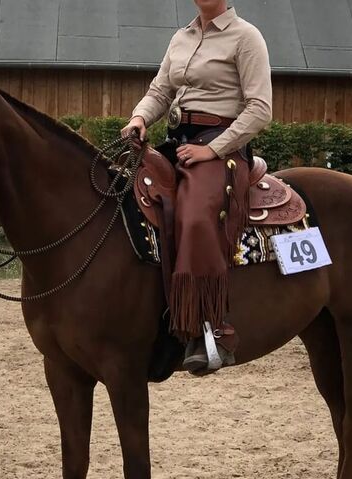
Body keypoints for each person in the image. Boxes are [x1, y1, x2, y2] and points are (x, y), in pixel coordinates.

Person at [121, 1, 273, 373]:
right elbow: (160, 91)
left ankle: (211, 328)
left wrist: (211, 150)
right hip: (179, 141)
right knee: (125, 193)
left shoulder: (246, 37)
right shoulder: (181, 37)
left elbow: (260, 109)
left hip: (221, 147)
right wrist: (140, 118)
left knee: (195, 216)